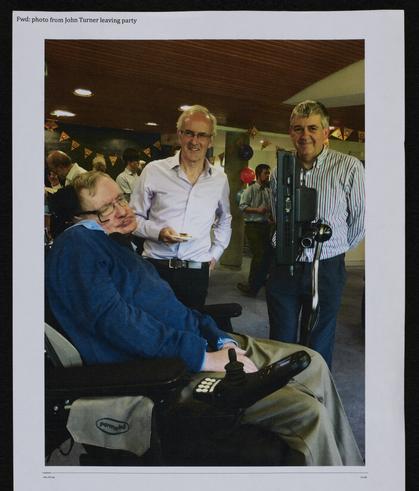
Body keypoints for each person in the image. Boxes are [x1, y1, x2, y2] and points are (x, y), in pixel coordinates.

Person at [45, 170, 363, 466]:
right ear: (78, 218)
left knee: (312, 360)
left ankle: (348, 472)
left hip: (198, 343)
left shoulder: (116, 247)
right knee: (306, 410)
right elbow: (118, 324)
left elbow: (176, 312)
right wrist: (204, 357)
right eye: (106, 208)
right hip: (165, 369)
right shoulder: (77, 246)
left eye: (120, 199)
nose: (122, 209)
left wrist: (219, 338)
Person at [266, 100, 365, 368]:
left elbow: (359, 221)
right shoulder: (280, 169)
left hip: (327, 267)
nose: (304, 135)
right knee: (281, 339)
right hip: (285, 263)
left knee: (319, 339)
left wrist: (333, 248)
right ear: (290, 133)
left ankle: (314, 398)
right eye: (298, 129)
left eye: (312, 128)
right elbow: (277, 215)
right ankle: (284, 398)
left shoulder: (349, 167)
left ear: (325, 131)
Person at [129, 105, 232, 309]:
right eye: (189, 133)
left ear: (210, 140)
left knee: (190, 327)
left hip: (196, 272)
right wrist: (158, 233)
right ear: (179, 135)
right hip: (155, 268)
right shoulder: (154, 170)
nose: (195, 141)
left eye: (202, 135)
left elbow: (225, 218)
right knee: (152, 326)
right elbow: (132, 218)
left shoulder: (220, 179)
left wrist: (215, 253)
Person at [237, 164, 273, 297]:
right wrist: (257, 210)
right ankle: (252, 286)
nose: (268, 176)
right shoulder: (250, 190)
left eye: (268, 173)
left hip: (265, 225)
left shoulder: (268, 190)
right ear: (258, 175)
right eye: (265, 173)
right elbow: (242, 207)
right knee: (259, 255)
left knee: (267, 255)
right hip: (252, 225)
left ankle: (260, 281)